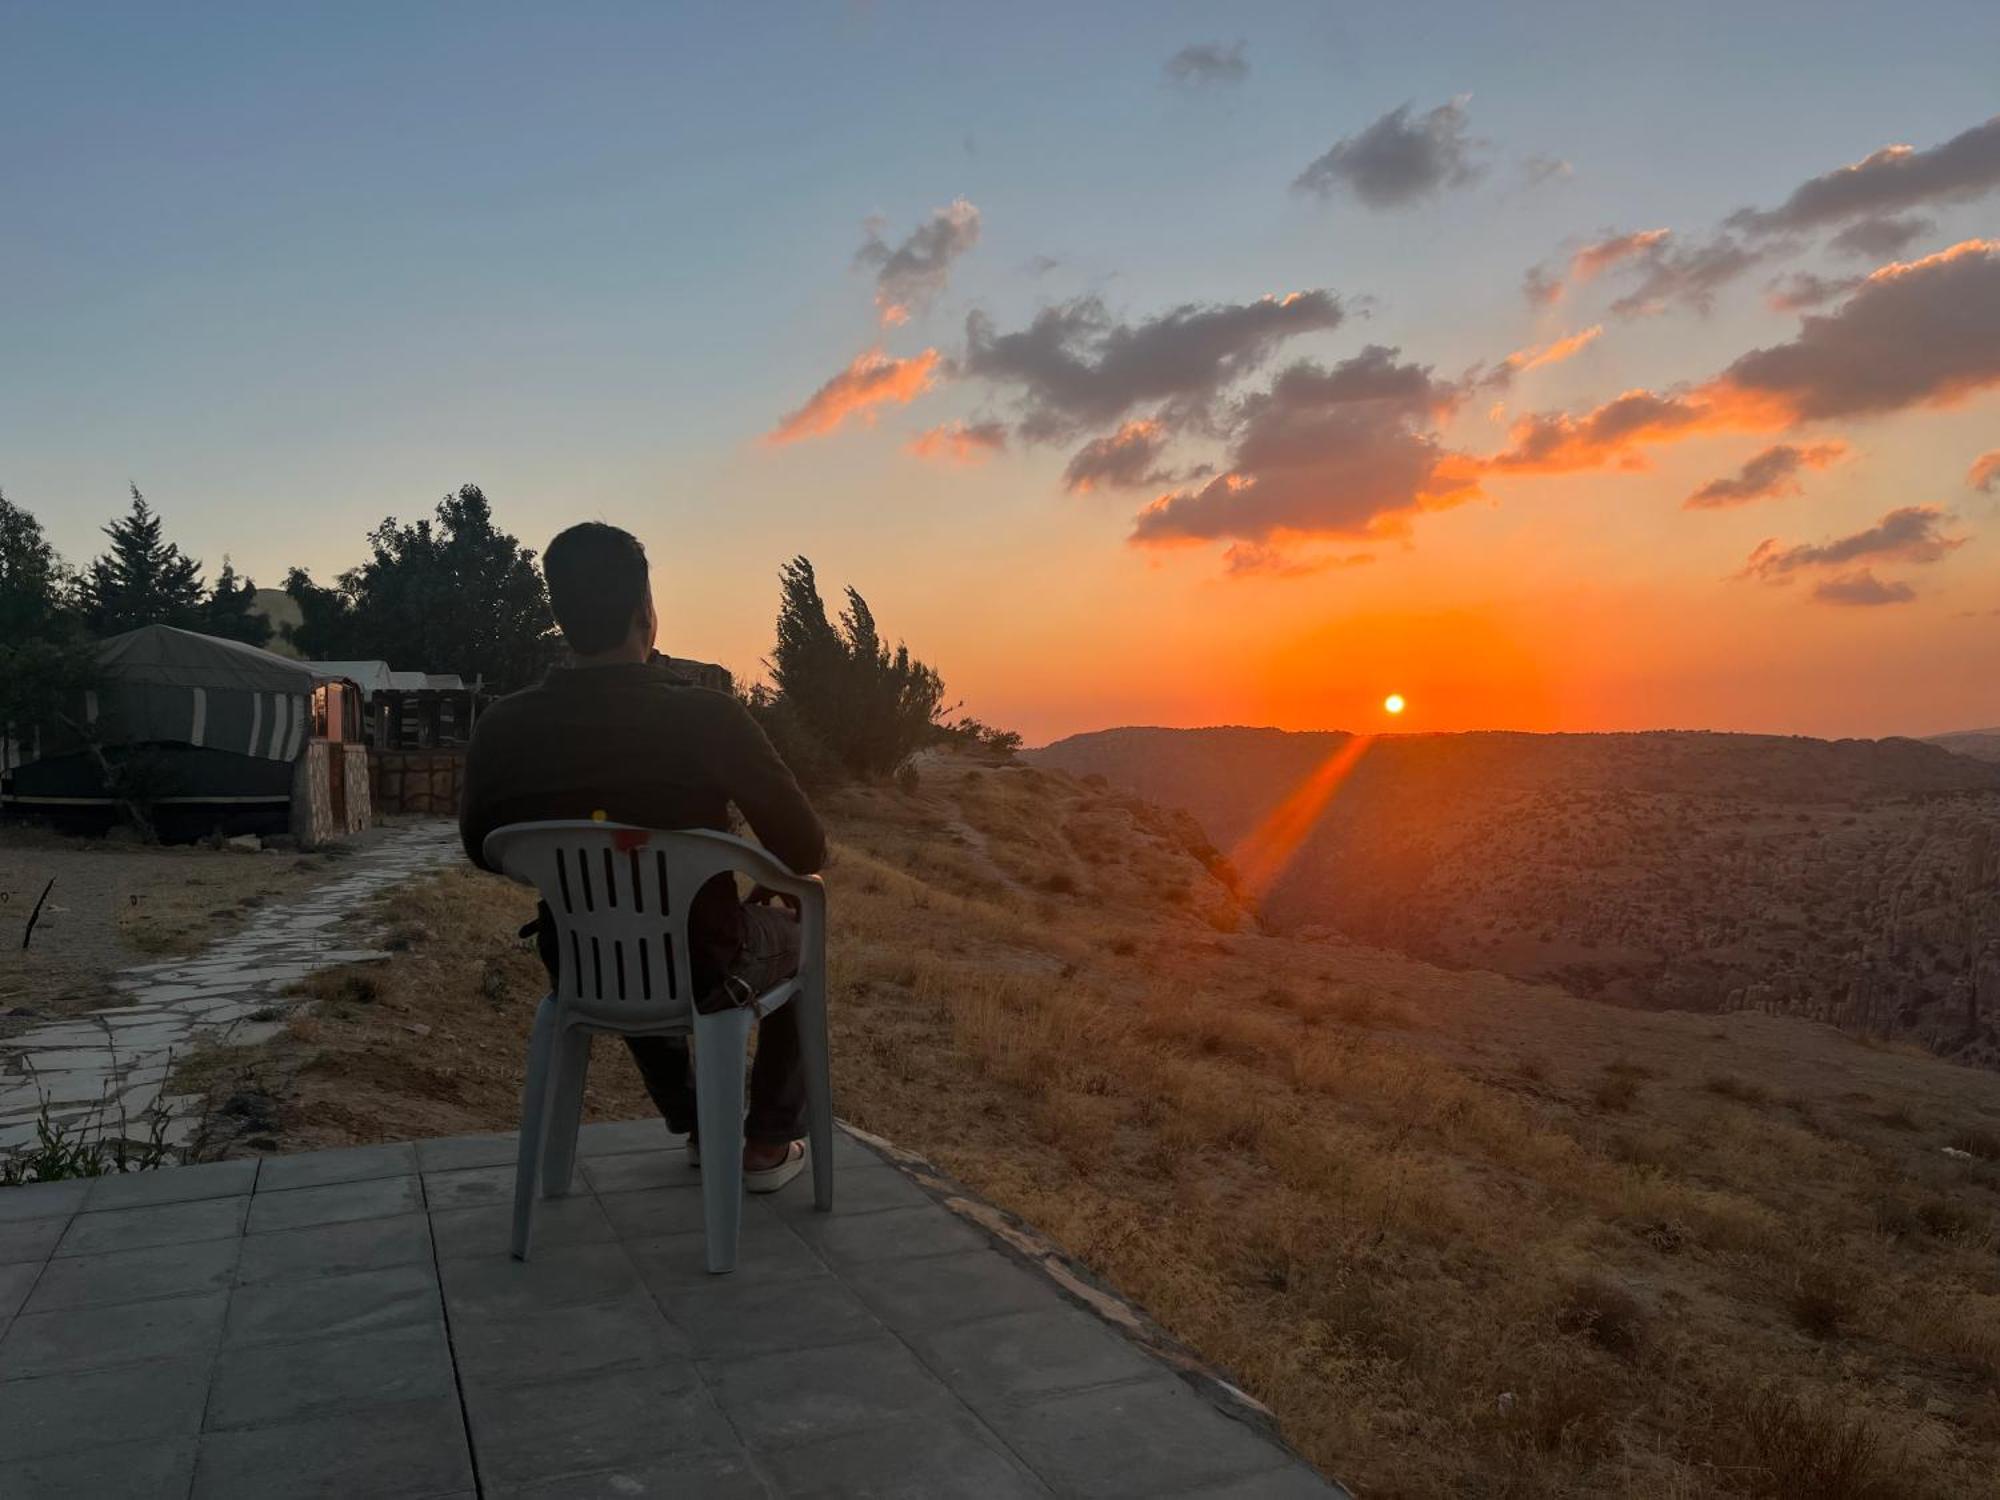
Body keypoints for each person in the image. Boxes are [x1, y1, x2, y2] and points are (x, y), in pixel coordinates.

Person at [459, 522, 825, 1191]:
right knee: (800, 932)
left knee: (622, 931)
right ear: (645, 613)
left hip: (579, 959)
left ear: (560, 616)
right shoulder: (708, 718)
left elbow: (481, 847)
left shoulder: (504, 726)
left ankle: (698, 1121)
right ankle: (766, 1143)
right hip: (706, 959)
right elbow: (804, 848)